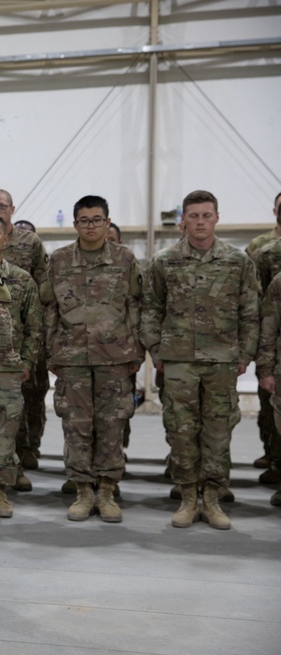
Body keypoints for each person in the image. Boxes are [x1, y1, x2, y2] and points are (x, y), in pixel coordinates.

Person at [142, 190, 260, 530]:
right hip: (179, 361)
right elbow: (151, 308)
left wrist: (245, 353)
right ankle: (188, 496)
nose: (200, 222)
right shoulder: (164, 261)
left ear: (217, 218)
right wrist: (156, 350)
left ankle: (212, 497)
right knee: (181, 430)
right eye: (193, 216)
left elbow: (250, 311)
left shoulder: (238, 261)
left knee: (219, 430)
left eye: (206, 216)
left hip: (223, 360)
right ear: (183, 219)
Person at [41, 196, 144, 523]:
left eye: (97, 219)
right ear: (75, 224)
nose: (90, 226)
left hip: (115, 358)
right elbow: (49, 309)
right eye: (84, 220)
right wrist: (51, 351)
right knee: (76, 425)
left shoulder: (125, 259)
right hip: (71, 357)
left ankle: (107, 490)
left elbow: (137, 306)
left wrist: (136, 351)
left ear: (107, 221)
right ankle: (83, 490)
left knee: (112, 425)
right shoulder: (58, 260)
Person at [0, 213, 42, 519]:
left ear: (6, 238)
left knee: (5, 431)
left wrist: (27, 361)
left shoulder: (21, 279)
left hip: (9, 370)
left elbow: (35, 326)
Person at [0, 189, 49, 488]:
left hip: (10, 363)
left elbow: (34, 320)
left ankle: (6, 477)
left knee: (10, 423)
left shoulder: (23, 276)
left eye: (0, 207)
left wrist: (28, 360)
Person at [247, 192, 281, 478]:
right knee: (270, 408)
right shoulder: (262, 250)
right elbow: (257, 303)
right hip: (273, 343)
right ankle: (274, 458)